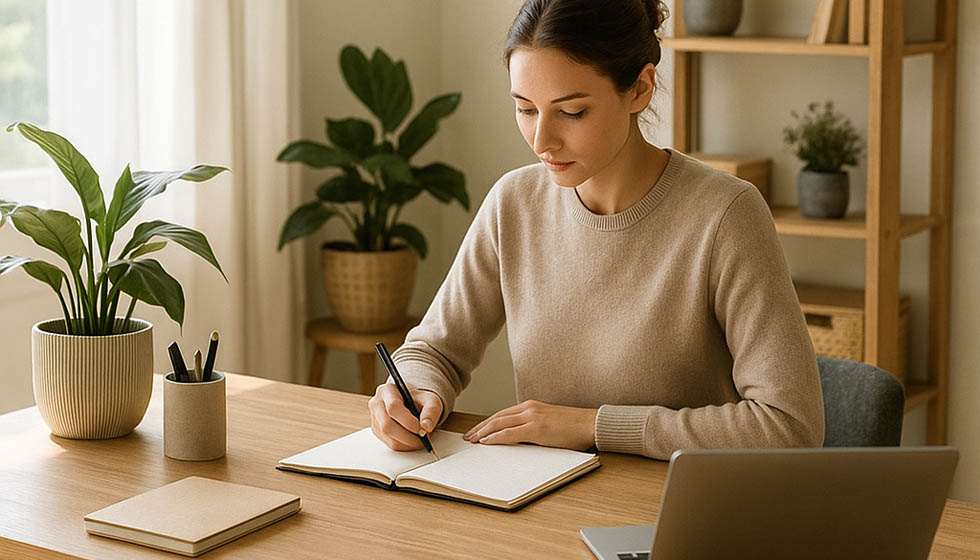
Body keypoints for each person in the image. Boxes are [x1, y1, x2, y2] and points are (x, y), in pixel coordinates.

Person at [369, 0, 825, 461]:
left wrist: (594, 426)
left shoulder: (725, 215)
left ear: (640, 89)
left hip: (677, 511)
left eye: (572, 112)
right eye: (526, 109)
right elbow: (435, 350)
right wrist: (411, 391)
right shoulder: (514, 203)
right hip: (545, 496)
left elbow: (789, 425)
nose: (541, 140)